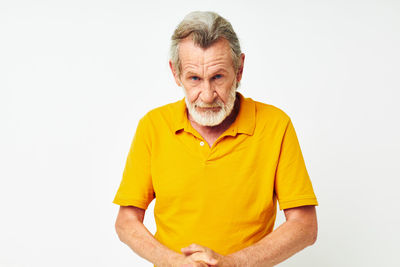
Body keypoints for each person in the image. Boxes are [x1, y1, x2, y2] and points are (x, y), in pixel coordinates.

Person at [113, 11, 318, 267]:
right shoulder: (153, 126)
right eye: (195, 78)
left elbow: (305, 226)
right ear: (176, 73)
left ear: (239, 69)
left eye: (218, 77)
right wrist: (173, 262)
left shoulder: (276, 125)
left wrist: (232, 263)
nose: (207, 95)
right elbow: (126, 221)